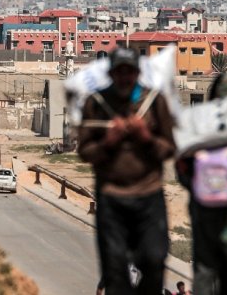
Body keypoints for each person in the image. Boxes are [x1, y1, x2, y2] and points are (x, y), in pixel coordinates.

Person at [78, 48, 176, 295]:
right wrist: (108, 142)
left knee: (154, 260)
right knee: (115, 271)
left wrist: (145, 137)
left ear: (137, 73)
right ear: (111, 73)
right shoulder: (97, 103)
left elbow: (169, 148)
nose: (124, 78)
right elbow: (85, 150)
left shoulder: (154, 102)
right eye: (118, 72)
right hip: (112, 197)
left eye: (129, 72)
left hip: (148, 195)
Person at [175, 73, 227, 295]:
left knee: (208, 269)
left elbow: (182, 167)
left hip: (207, 208)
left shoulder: (198, 125)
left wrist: (197, 188)